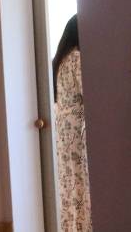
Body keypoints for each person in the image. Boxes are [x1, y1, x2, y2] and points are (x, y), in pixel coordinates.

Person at [52, 15, 92, 231]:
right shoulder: (77, 58)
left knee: (69, 185)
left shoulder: (60, 60)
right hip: (77, 129)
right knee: (82, 182)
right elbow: (88, 94)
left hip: (62, 131)